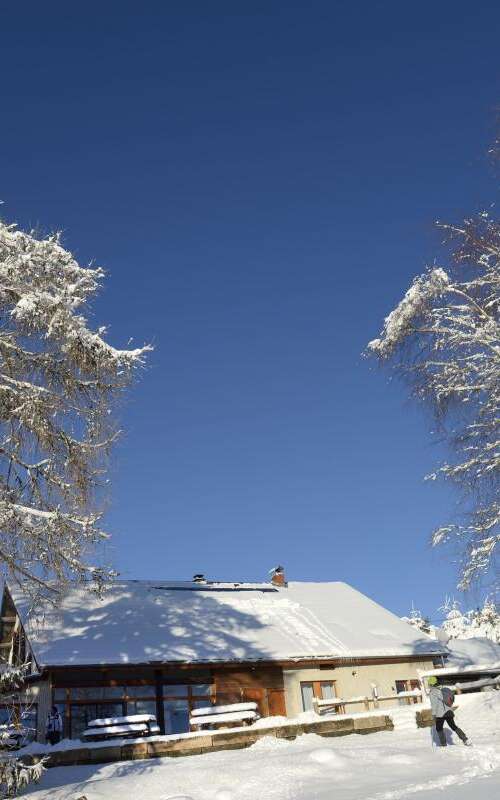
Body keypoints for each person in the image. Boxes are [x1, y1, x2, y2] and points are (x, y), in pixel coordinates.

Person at [427, 676, 470, 747]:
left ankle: (443, 745)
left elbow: (434, 705)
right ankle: (465, 739)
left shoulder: (432, 693)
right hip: (449, 712)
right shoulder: (442, 690)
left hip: (440, 714)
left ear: (430, 684)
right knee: (453, 726)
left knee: (439, 728)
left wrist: (434, 714)